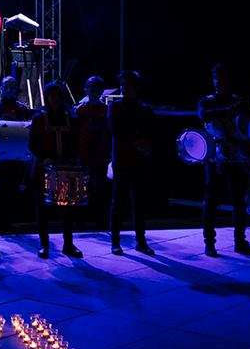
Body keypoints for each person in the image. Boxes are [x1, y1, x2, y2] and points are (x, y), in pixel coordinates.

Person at [198, 63, 250, 257]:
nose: (218, 82)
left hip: (237, 156)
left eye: (221, 78)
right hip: (216, 156)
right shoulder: (208, 101)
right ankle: (209, 242)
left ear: (230, 81)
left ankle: (240, 241)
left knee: (239, 199)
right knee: (211, 199)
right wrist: (231, 110)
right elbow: (204, 114)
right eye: (215, 78)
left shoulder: (239, 101)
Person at [30, 82, 83, 258]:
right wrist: (43, 158)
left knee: (67, 210)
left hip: (64, 170)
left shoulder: (70, 118)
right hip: (43, 170)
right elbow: (32, 144)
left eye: (58, 95)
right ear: (47, 97)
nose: (56, 99)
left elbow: (75, 142)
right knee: (42, 209)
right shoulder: (39, 118)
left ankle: (68, 244)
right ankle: (44, 245)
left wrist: (72, 159)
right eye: (52, 95)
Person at [109, 70, 157, 255]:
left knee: (139, 202)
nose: (124, 88)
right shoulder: (115, 107)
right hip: (122, 160)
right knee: (118, 202)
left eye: (127, 85)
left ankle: (141, 241)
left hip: (139, 160)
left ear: (136, 88)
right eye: (122, 85)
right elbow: (117, 130)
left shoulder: (143, 109)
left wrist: (144, 143)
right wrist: (138, 141)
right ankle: (115, 241)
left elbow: (152, 130)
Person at [0, 75, 32, 228]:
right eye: (6, 86)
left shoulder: (22, 108)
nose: (9, 89)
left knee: (13, 188)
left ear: (16, 89)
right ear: (1, 88)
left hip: (16, 155)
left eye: (12, 87)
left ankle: (8, 221)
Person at [75, 75, 111, 231]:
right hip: (84, 155)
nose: (94, 93)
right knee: (83, 188)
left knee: (100, 189)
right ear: (86, 90)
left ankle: (101, 220)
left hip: (101, 156)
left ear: (101, 91)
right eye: (91, 90)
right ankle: (81, 221)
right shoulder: (80, 110)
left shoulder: (106, 110)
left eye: (97, 90)